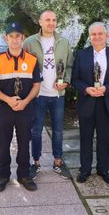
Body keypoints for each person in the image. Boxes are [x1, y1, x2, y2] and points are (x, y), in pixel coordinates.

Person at [71, 22, 109, 184]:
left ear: (106, 36)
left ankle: (103, 169)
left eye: (100, 34)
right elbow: (74, 79)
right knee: (85, 138)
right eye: (93, 34)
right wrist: (86, 89)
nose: (97, 37)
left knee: (104, 138)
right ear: (90, 37)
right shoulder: (81, 55)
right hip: (87, 102)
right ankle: (85, 170)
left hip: (107, 102)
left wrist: (107, 88)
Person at [0, 22, 42, 192]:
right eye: (11, 36)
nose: (14, 39)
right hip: (5, 108)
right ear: (6, 38)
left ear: (22, 38)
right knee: (3, 144)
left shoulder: (32, 60)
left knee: (24, 144)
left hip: (25, 108)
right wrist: (8, 100)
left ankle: (24, 175)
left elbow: (36, 85)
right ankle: (3, 175)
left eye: (17, 36)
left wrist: (25, 102)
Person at [23, 10, 74, 180]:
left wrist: (65, 81)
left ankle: (58, 162)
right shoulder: (29, 43)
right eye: (47, 20)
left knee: (58, 131)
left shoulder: (64, 42)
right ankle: (35, 163)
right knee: (36, 130)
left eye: (54, 20)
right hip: (37, 95)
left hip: (57, 95)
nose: (51, 23)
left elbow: (69, 67)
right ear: (40, 22)